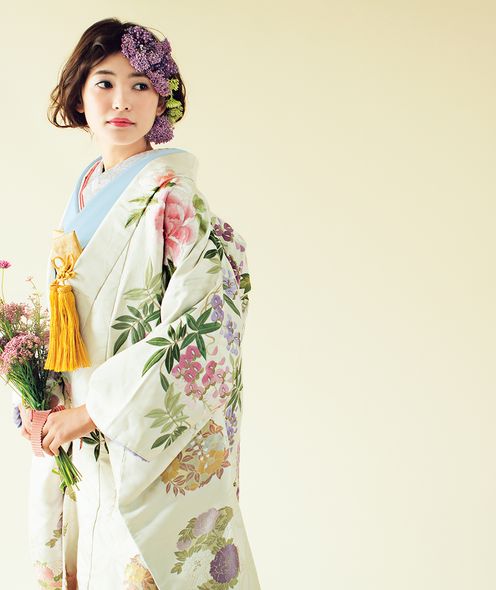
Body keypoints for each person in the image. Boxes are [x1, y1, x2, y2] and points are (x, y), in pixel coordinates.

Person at [16, 17, 260, 590]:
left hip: (136, 440)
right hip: (82, 433)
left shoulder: (175, 199)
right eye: (104, 83)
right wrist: (39, 401)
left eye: (141, 85)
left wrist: (94, 411)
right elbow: (69, 324)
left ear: (161, 100)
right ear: (79, 95)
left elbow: (203, 326)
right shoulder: (87, 190)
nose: (122, 100)